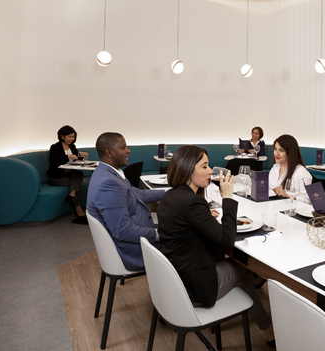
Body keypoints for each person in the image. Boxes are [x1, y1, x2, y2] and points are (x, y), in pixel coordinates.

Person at [157, 145, 274, 345]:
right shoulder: (193, 202)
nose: (211, 171)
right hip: (195, 287)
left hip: (174, 282)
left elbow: (185, 225)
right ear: (187, 169)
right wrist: (227, 197)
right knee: (246, 268)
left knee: (243, 275)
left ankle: (268, 330)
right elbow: (227, 239)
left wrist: (202, 219)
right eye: (204, 166)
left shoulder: (171, 196)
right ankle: (270, 330)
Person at [86, 132, 165, 271]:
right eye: (123, 147)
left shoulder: (108, 173)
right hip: (134, 251)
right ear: (109, 152)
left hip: (137, 237)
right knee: (190, 242)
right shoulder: (108, 183)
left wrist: (169, 193)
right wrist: (160, 234)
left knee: (181, 229)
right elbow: (123, 231)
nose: (128, 151)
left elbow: (138, 194)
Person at [47, 125, 88, 224]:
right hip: (56, 176)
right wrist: (67, 156)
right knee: (76, 183)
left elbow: (76, 158)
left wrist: (82, 155)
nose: (71, 139)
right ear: (62, 136)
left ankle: (72, 194)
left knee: (79, 174)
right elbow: (53, 161)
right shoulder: (55, 147)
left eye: (73, 137)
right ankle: (79, 211)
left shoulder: (72, 147)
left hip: (70, 174)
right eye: (69, 136)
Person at [269, 134, 312, 203]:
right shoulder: (274, 169)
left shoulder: (301, 172)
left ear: (290, 152)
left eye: (281, 150)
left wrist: (288, 195)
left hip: (292, 210)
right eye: (275, 149)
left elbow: (308, 200)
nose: (276, 153)